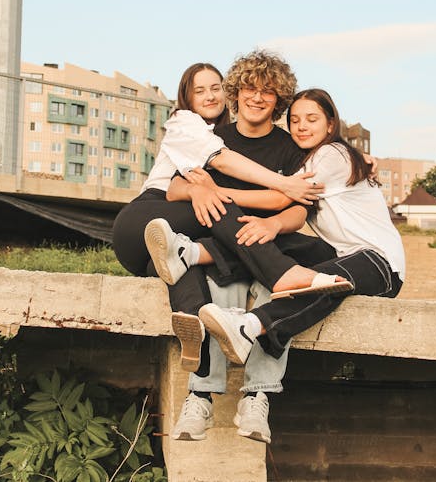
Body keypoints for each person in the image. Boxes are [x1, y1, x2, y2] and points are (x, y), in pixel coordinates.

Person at [113, 56, 334, 444]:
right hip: (222, 247)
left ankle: (257, 398)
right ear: (236, 92)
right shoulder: (215, 137)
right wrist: (206, 190)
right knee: (207, 282)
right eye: (250, 88)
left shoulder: (289, 148)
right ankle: (200, 397)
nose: (258, 97)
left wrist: (271, 221)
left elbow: (300, 209)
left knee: (276, 279)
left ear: (279, 98)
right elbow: (175, 188)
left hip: (261, 240)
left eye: (269, 91)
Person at [191, 88, 404, 376]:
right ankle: (193, 253)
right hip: (339, 253)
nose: (302, 127)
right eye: (295, 121)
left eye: (312, 119)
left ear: (330, 125)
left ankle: (249, 326)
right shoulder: (315, 158)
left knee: (319, 282)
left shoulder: (333, 154)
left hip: (380, 264)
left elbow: (281, 195)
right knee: (274, 241)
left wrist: (214, 190)